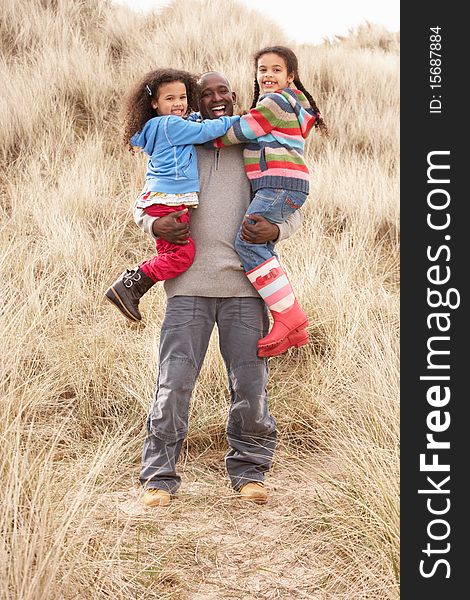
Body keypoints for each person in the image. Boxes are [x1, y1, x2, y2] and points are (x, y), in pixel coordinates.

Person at [134, 71, 303, 507]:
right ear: (195, 102)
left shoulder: (255, 146)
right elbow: (144, 202)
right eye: (204, 94)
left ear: (234, 97)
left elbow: (287, 200)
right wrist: (154, 223)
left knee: (249, 384)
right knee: (174, 382)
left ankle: (250, 471)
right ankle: (159, 477)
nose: (215, 99)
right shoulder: (179, 141)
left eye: (222, 91)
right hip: (187, 286)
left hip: (246, 289)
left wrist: (279, 229)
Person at [214, 46, 328, 357]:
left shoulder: (276, 101)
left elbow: (244, 129)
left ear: (290, 77)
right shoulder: (285, 102)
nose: (268, 75)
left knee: (248, 243)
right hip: (284, 183)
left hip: (279, 182)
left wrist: (210, 134)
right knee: (259, 248)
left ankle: (288, 316)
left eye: (276, 70)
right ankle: (295, 332)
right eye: (263, 69)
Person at [104, 68, 239, 322]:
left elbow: (192, 123)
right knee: (180, 256)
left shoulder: (158, 126)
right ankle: (129, 286)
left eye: (182, 97)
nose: (178, 104)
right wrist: (238, 120)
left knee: (172, 254)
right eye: (169, 99)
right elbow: (204, 131)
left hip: (162, 200)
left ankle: (131, 287)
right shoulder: (168, 125)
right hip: (168, 202)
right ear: (154, 102)